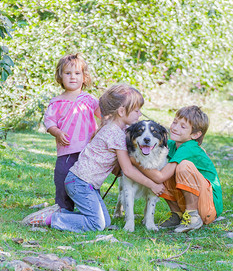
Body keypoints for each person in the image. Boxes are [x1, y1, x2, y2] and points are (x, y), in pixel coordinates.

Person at [24, 84, 165, 232]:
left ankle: (60, 212)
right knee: (96, 224)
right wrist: (153, 185)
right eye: (136, 110)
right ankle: (51, 219)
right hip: (80, 183)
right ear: (122, 111)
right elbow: (128, 171)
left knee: (105, 221)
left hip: (85, 183)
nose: (140, 114)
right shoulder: (116, 134)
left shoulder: (114, 127)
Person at [131, 105, 223, 233]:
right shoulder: (171, 145)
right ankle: (177, 215)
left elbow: (160, 177)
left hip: (208, 205)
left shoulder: (189, 147)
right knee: (163, 164)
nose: (174, 128)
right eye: (175, 122)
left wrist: (133, 160)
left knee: (182, 166)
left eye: (182, 126)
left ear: (195, 134)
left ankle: (192, 217)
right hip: (197, 198)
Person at [44, 53, 101, 211]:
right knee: (62, 178)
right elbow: (49, 122)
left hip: (88, 150)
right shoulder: (56, 102)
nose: (73, 77)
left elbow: (105, 116)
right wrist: (57, 132)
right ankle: (63, 209)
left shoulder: (90, 99)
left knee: (88, 180)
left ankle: (90, 209)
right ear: (60, 76)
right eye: (68, 73)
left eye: (77, 73)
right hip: (66, 150)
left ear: (84, 77)